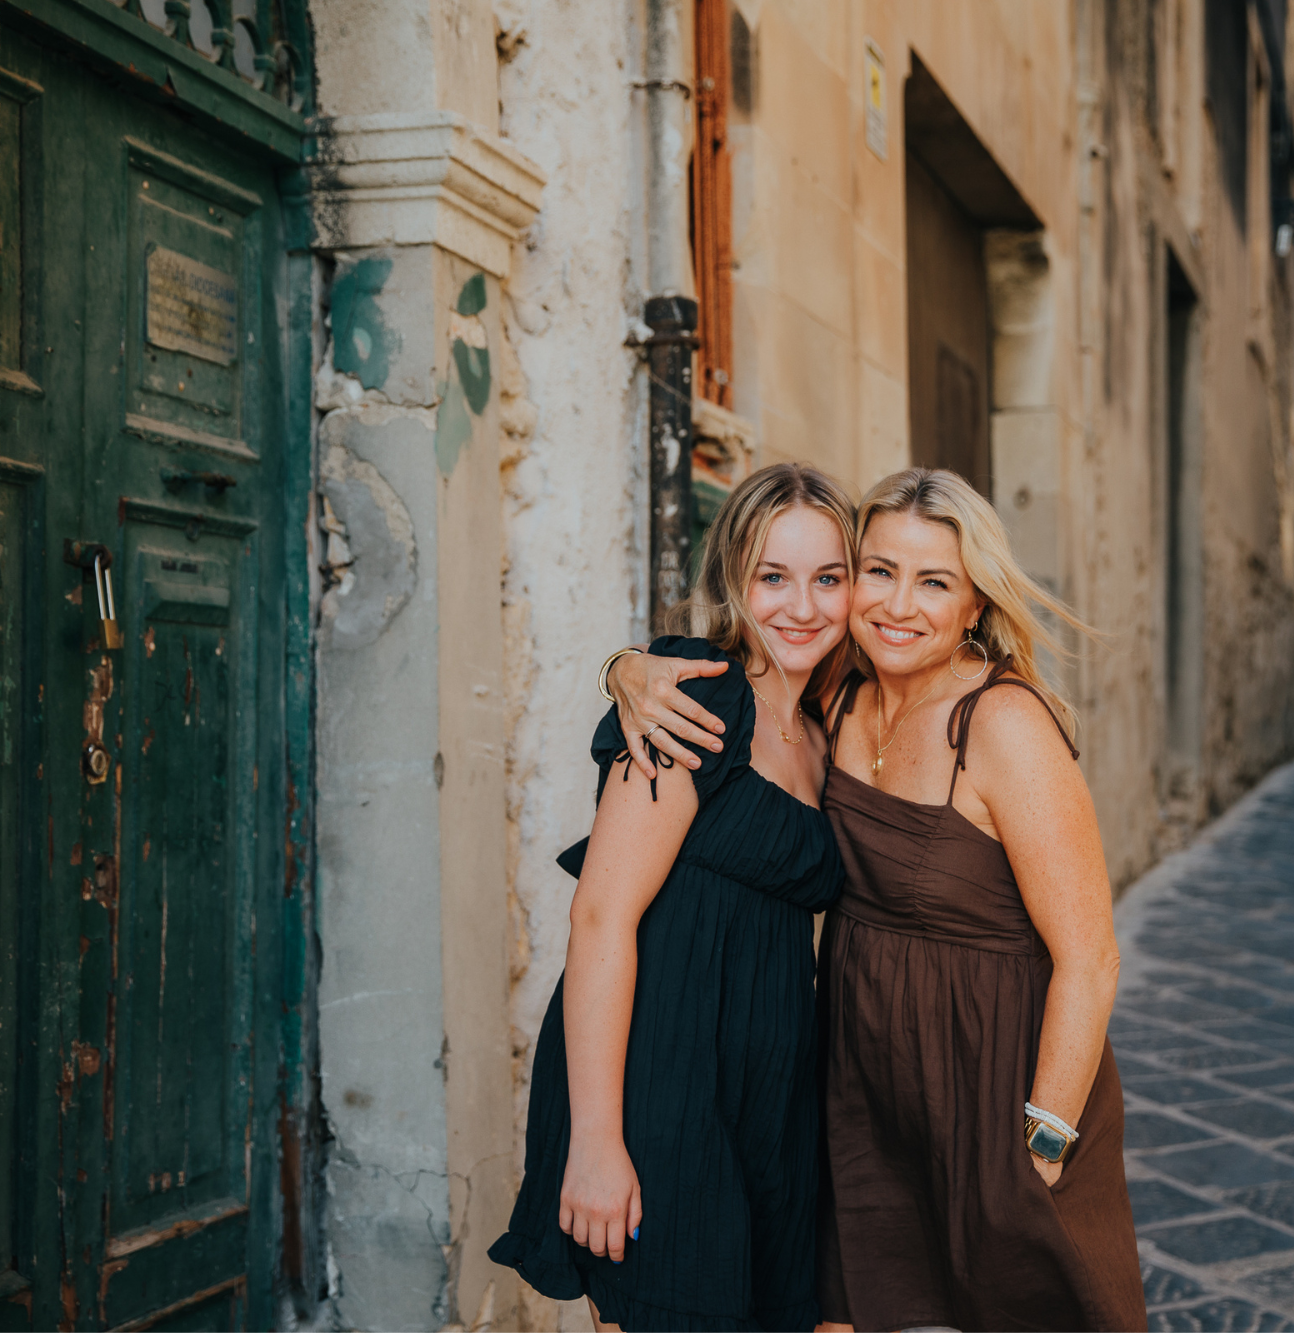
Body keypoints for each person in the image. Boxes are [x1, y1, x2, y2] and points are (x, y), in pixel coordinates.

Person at [609, 468, 1146, 1332]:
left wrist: (1042, 1143)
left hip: (996, 1086)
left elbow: (1091, 958)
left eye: (934, 581)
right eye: (879, 570)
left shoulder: (1004, 723)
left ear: (975, 602)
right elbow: (742, 675)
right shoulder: (842, 697)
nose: (900, 604)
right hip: (863, 1092)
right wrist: (628, 668)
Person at [489, 464, 856, 1332]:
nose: (801, 606)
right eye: (774, 576)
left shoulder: (828, 725)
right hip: (660, 1085)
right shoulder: (696, 692)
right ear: (733, 577)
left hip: (768, 1096)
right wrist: (597, 1141)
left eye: (828, 578)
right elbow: (600, 916)